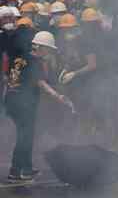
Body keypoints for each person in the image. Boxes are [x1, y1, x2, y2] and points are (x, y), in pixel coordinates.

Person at [4, 31, 73, 182]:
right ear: (41, 47)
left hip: (12, 101)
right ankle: (15, 172)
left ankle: (27, 168)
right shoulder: (35, 62)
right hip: (23, 104)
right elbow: (41, 83)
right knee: (25, 137)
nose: (49, 52)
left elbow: (9, 78)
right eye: (48, 49)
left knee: (26, 135)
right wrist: (59, 97)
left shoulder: (19, 57)